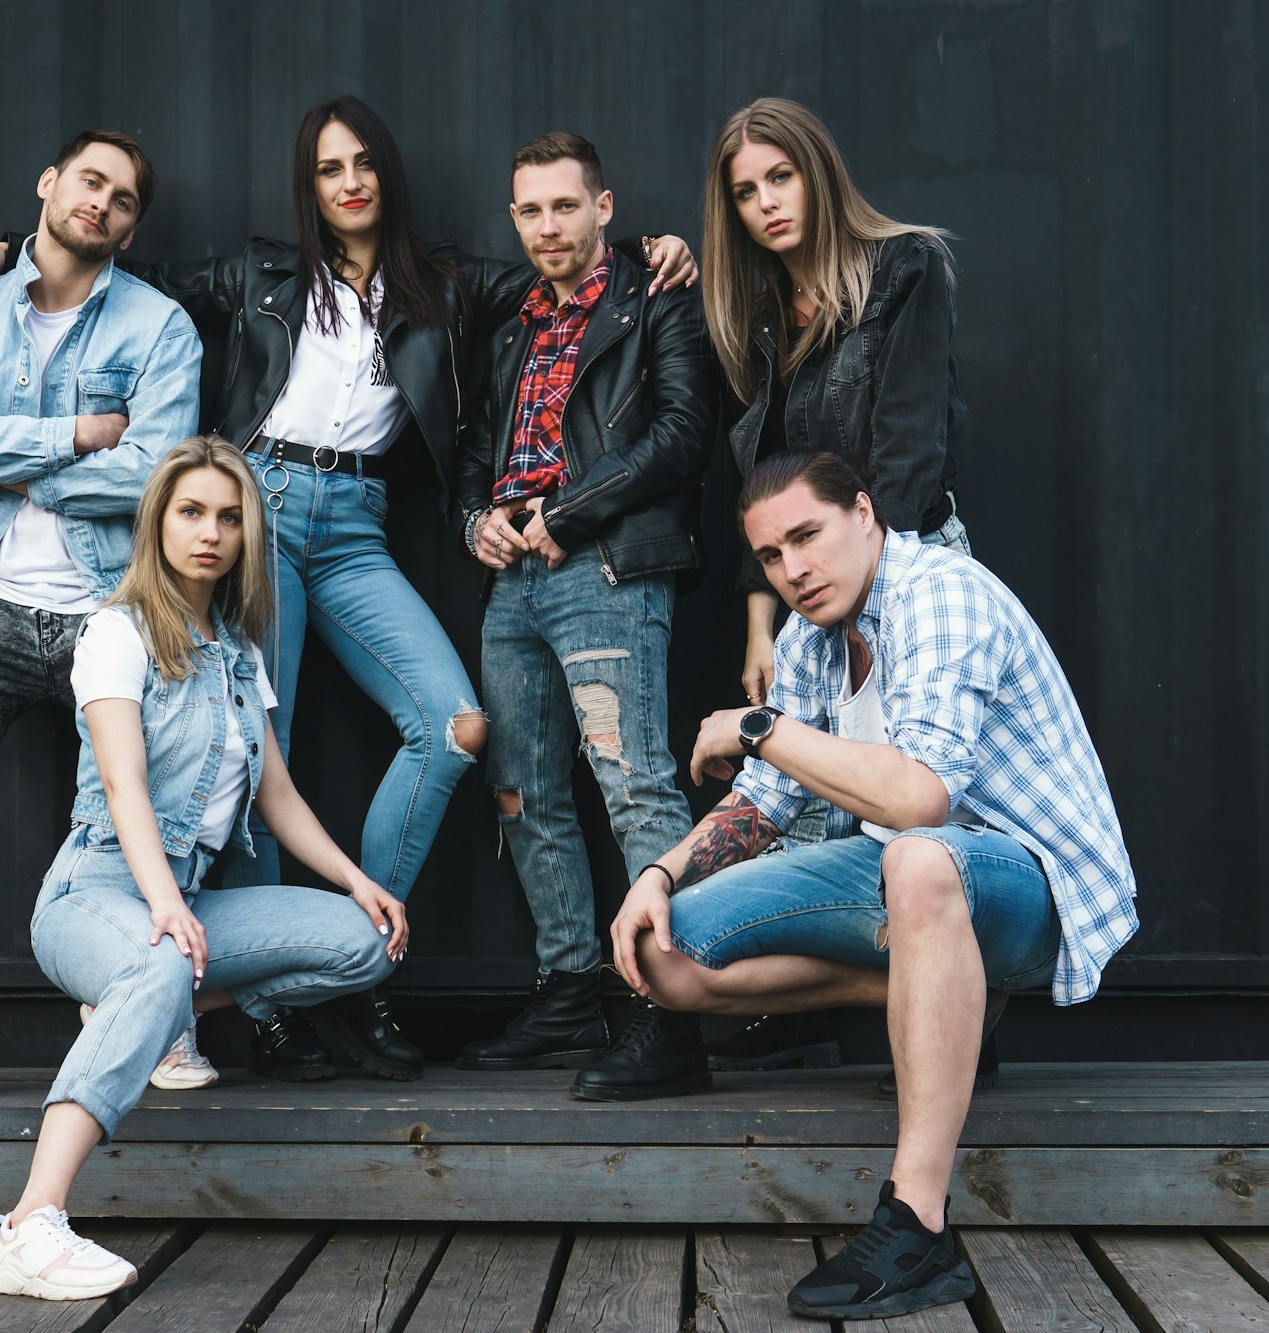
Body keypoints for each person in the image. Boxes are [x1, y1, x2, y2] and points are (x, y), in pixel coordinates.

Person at [0, 96, 695, 1083]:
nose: (348, 181)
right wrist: (13, 247)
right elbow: (139, 276)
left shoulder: (447, 285)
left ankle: (338, 969)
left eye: (362, 165)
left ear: (384, 175)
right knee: (258, 755)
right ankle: (280, 1011)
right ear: (310, 187)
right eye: (328, 168)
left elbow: (563, 264)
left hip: (355, 524)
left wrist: (642, 246)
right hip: (254, 508)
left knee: (455, 724)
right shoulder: (260, 271)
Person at [602, 450, 1138, 1320]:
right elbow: (763, 802)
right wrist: (658, 874)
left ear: (864, 512)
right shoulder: (814, 639)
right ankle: (946, 987)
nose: (794, 571)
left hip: (1028, 881)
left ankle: (917, 1226)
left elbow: (922, 795)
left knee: (919, 855)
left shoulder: (941, 593)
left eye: (807, 536)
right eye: (772, 557)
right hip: (907, 881)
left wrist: (756, 725)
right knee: (667, 956)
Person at [0, 436, 406, 1301]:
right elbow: (127, 787)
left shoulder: (239, 653)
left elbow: (276, 793)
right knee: (162, 958)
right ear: (158, 521)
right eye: (190, 512)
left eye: (228, 515)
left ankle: (141, 1003)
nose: (210, 531)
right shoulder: (114, 630)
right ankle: (30, 1222)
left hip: (181, 911)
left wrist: (356, 879)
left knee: (366, 942)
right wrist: (167, 907)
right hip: (94, 890)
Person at [0, 130, 202, 1107]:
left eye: (124, 198)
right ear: (50, 184)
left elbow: (157, 469)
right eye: (89, 182)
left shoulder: (158, 327)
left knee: (137, 814)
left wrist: (16, 465)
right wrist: (69, 436)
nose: (102, 203)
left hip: (109, 608)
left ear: (134, 226)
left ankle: (136, 1008)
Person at [698, 96, 974, 1075]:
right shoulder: (763, 319)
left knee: (923, 805)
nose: (766, 202)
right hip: (810, 586)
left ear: (816, 173)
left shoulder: (904, 267)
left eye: (780, 177)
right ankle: (819, 1002)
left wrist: (858, 614)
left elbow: (905, 451)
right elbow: (765, 482)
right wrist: (762, 621)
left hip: (907, 567)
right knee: (808, 789)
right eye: (743, 191)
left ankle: (964, 1019)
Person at [451, 133, 716, 1081]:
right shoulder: (513, 322)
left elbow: (687, 432)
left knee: (634, 782)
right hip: (511, 580)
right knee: (522, 791)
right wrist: (476, 520)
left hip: (603, 567)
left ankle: (673, 1012)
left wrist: (568, 513)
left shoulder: (656, 295)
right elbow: (477, 448)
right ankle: (568, 997)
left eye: (566, 206)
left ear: (604, 207)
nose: (547, 225)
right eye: (530, 210)